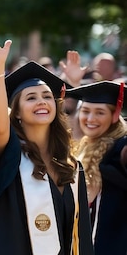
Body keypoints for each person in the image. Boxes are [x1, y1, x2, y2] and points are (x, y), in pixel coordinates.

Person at [0, 26, 94, 254]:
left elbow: (81, 237)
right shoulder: (9, 157)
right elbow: (0, 126)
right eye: (31, 97)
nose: (41, 102)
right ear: (17, 112)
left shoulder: (71, 166)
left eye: (47, 97)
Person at [66, 81, 127, 254]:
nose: (90, 119)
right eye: (85, 111)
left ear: (114, 116)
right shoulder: (85, 148)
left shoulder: (121, 147)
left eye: (100, 112)